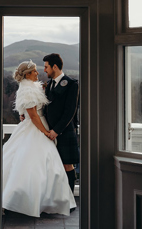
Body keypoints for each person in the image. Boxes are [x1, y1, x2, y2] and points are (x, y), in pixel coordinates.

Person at [2, 60, 76, 217]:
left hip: (39, 125)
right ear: (28, 74)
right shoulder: (27, 89)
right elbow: (34, 115)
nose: (38, 73)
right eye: (35, 71)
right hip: (36, 128)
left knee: (46, 166)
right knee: (33, 165)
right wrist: (45, 132)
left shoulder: (35, 87)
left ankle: (44, 199)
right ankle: (25, 200)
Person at [43, 53, 80, 195]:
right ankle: (57, 198)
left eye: (46, 67)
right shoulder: (50, 84)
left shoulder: (71, 84)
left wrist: (56, 130)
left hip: (65, 131)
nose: (45, 70)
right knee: (52, 165)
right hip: (49, 132)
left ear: (55, 66)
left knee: (67, 165)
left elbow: (70, 111)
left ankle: (69, 199)